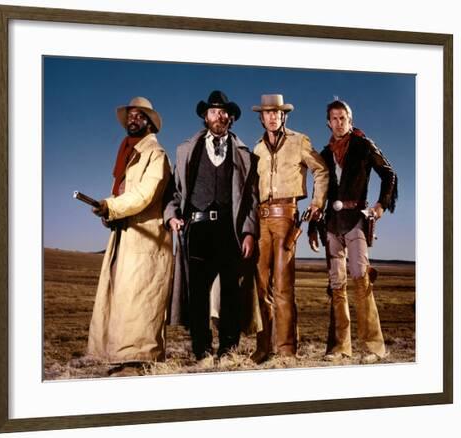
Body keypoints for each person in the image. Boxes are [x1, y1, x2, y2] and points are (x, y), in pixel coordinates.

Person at [163, 90, 259, 361]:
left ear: (231, 118)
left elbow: (252, 198)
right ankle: (201, 350)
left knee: (231, 291)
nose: (220, 116)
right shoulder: (186, 151)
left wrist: (249, 231)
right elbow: (173, 192)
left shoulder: (244, 155)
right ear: (205, 117)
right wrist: (172, 216)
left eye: (224, 112)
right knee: (197, 294)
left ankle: (229, 349)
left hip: (230, 230)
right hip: (197, 228)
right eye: (214, 111)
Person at [87, 96, 173, 376]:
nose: (132, 119)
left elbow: (144, 195)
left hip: (147, 236)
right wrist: (108, 210)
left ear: (149, 122)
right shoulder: (128, 153)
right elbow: (125, 194)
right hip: (127, 233)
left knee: (141, 298)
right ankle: (122, 358)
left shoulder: (155, 155)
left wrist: (111, 206)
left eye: (139, 115)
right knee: (123, 296)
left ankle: (139, 361)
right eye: (130, 116)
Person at [308, 99, 397, 363]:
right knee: (336, 285)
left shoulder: (363, 145)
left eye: (342, 118)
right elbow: (319, 193)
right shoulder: (324, 154)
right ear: (328, 122)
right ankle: (339, 348)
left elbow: (389, 174)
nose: (338, 123)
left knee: (361, 278)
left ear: (350, 119)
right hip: (331, 224)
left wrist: (381, 205)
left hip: (357, 219)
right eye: (333, 119)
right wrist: (314, 226)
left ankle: (374, 347)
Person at [250, 94, 329, 364]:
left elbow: (322, 171)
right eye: (267, 113)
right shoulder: (257, 148)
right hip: (260, 219)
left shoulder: (299, 141)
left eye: (276, 112)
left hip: (286, 217)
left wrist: (317, 204)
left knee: (283, 287)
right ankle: (263, 347)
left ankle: (286, 350)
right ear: (261, 117)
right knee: (261, 288)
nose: (272, 117)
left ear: (284, 116)